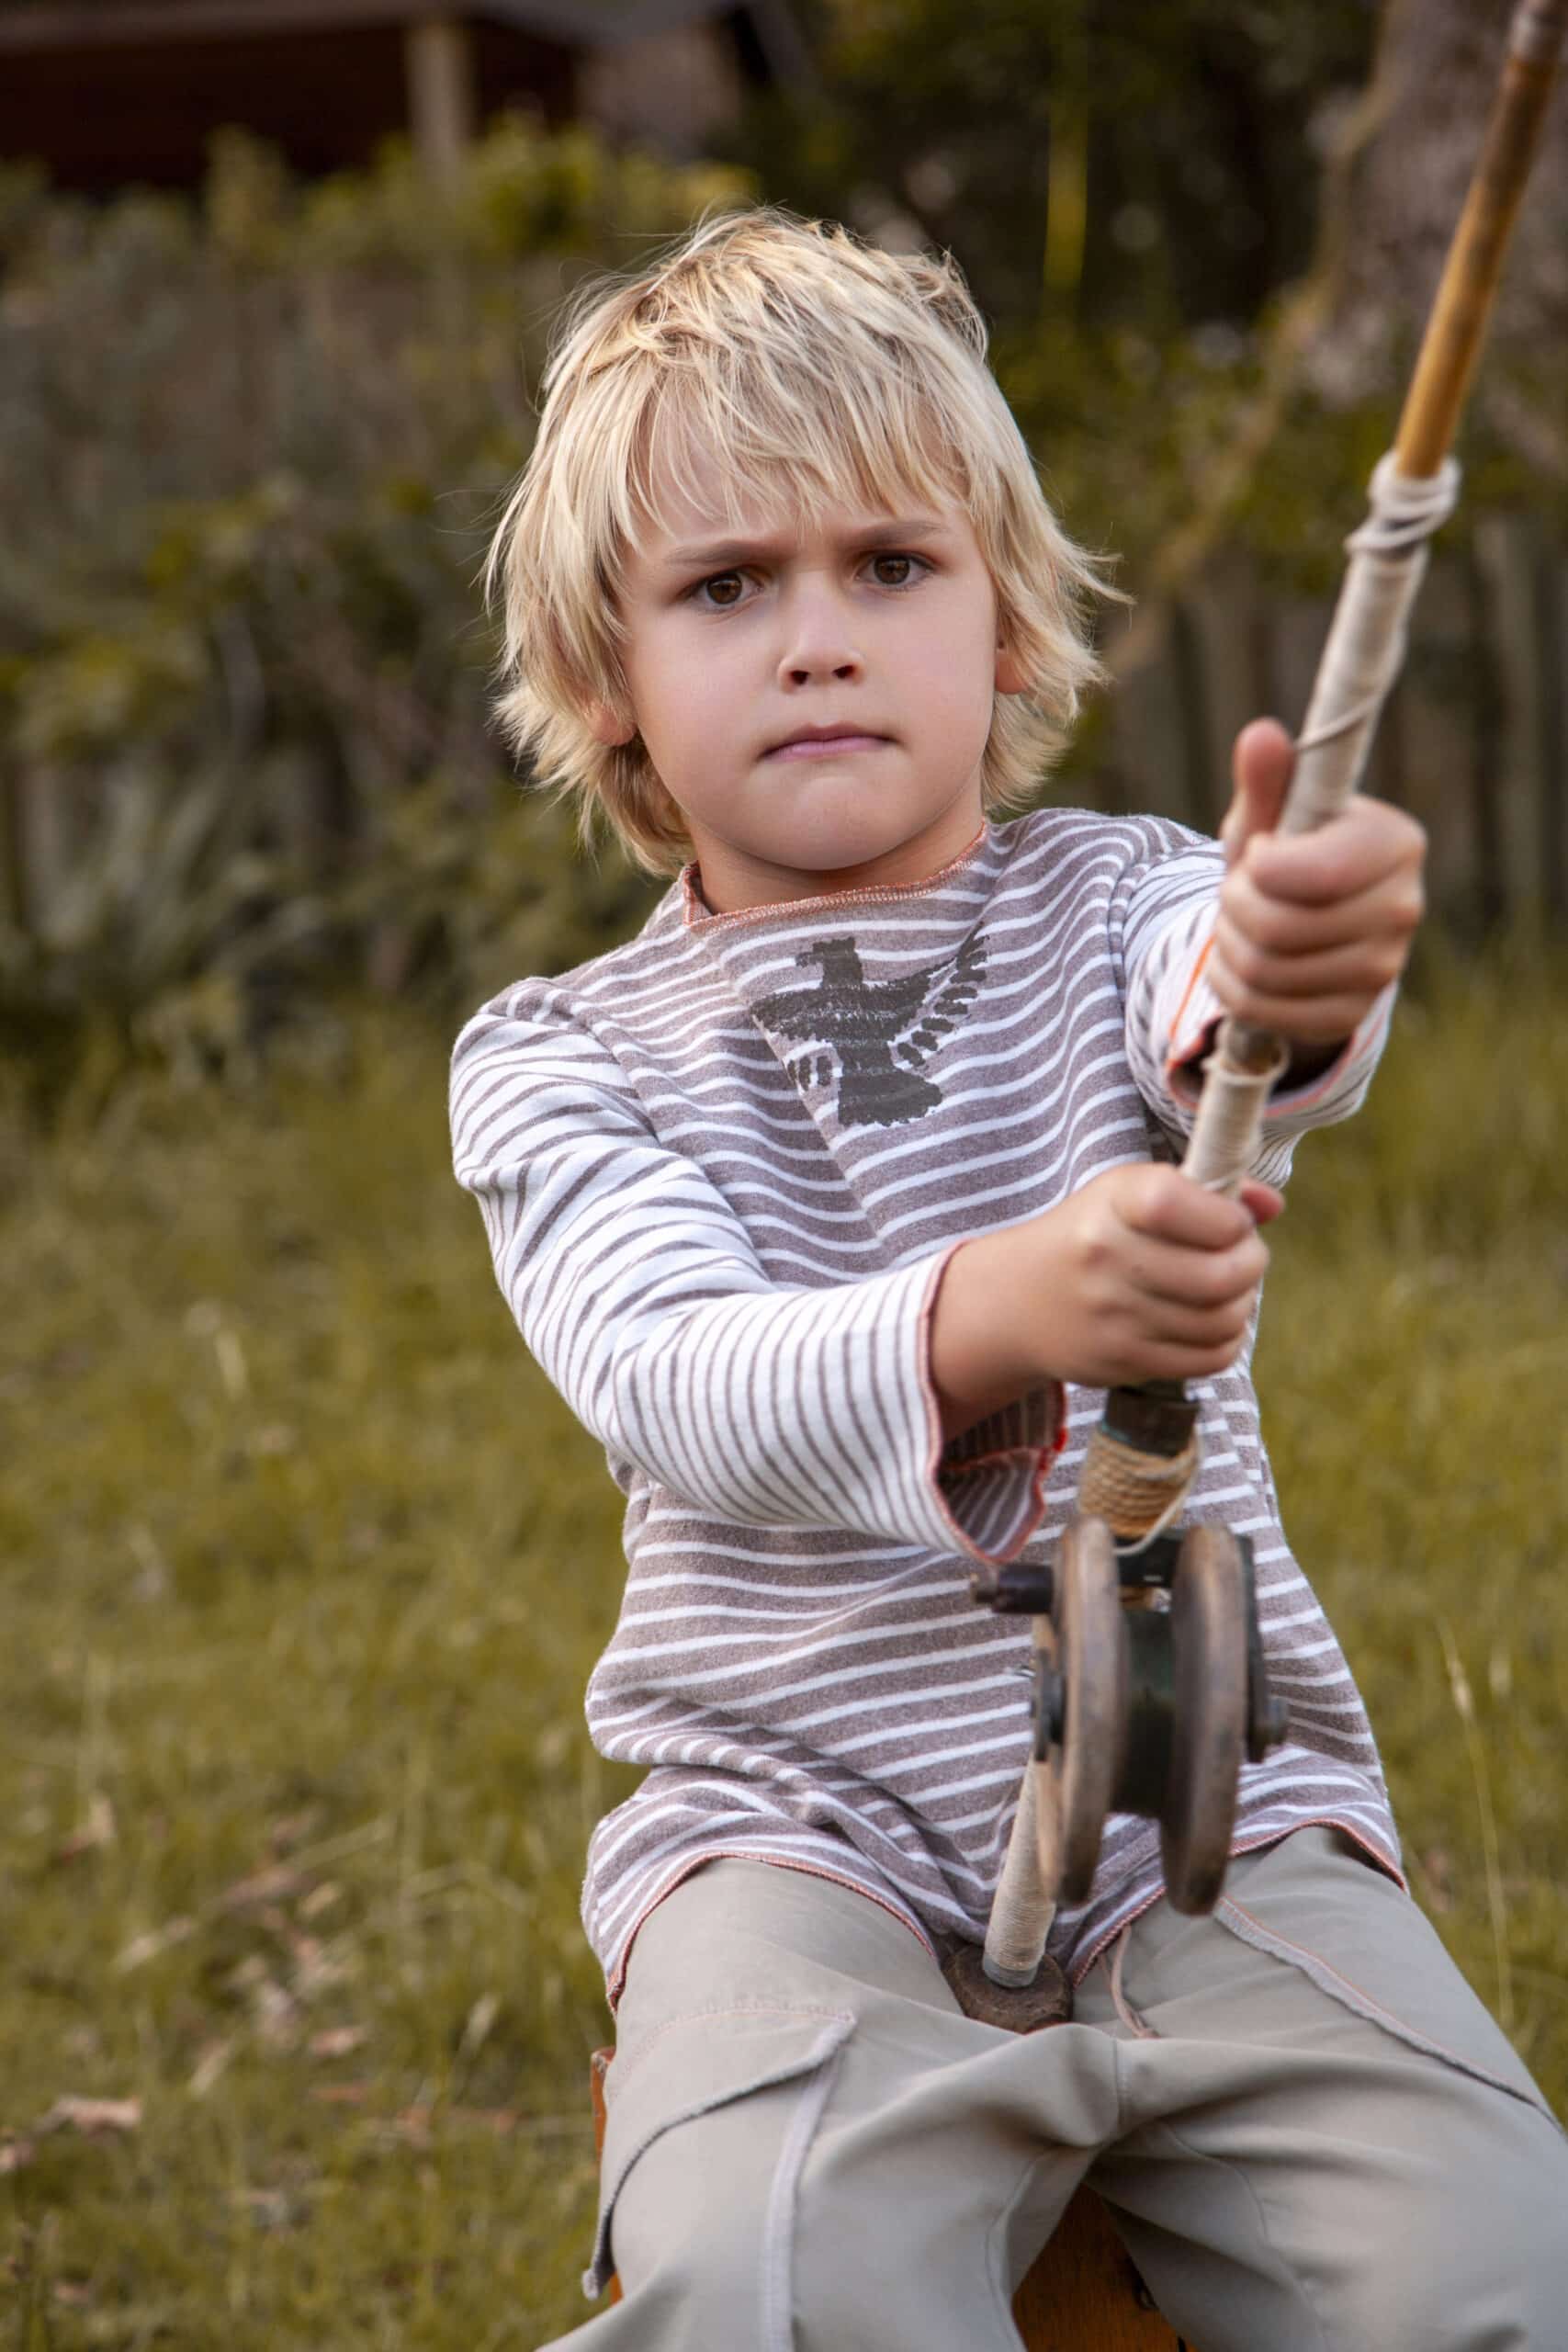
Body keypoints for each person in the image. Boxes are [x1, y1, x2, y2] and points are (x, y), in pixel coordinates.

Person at [450, 209, 1566, 2351]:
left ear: (1007, 625)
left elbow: (1223, 1013)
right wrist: (1000, 1305)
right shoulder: (558, 1056)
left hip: (1206, 1820)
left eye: (888, 566)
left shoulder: (1126, 897)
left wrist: (1291, 966)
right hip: (798, 1841)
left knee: (1494, 2265)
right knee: (761, 2278)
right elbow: (679, 1373)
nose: (815, 638)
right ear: (607, 677)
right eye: (721, 585)